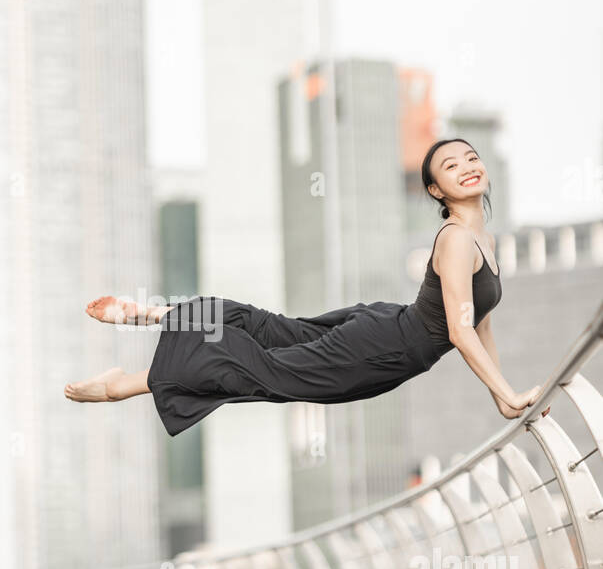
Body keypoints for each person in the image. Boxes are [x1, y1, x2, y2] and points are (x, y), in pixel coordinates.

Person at [64, 138, 548, 437]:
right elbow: (461, 334)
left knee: (266, 329)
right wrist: (507, 392)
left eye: (471, 157)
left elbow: (481, 324)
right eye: (450, 166)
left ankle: (149, 317)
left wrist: (501, 399)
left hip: (381, 327)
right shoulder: (459, 240)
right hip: (383, 349)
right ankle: (123, 384)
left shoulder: (481, 238)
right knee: (267, 371)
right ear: (436, 191)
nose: (467, 166)